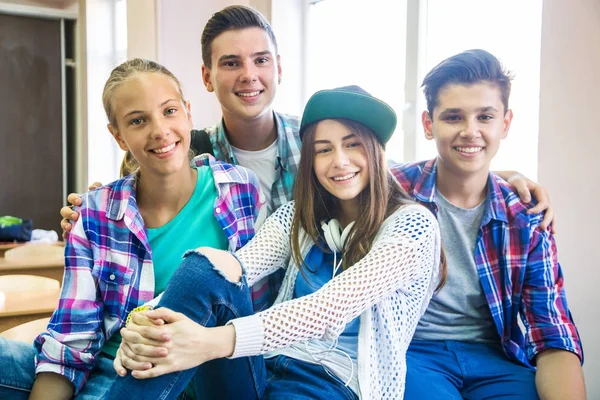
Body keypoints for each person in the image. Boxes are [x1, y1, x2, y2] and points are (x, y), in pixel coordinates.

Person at [59, 6, 554, 310]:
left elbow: (386, 175)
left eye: (261, 60)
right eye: (230, 63)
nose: (248, 75)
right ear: (207, 79)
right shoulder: (194, 151)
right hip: (231, 311)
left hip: (303, 316)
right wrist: (81, 215)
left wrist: (494, 172)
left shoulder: (318, 141)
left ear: (279, 68)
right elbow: (131, 202)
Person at [102, 85, 444, 400]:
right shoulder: (300, 216)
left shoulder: (412, 226)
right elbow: (238, 265)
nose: (339, 161)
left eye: (353, 144)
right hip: (261, 369)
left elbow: (328, 308)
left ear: (377, 151)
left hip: (333, 383)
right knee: (205, 264)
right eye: (324, 150)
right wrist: (141, 323)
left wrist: (211, 342)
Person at [0, 59, 263, 400]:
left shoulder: (239, 189)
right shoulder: (95, 212)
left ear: (188, 113)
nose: (159, 130)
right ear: (118, 136)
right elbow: (71, 338)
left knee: (201, 272)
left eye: (169, 111)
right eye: (138, 121)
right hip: (108, 369)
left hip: (194, 374)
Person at [389, 49, 585, 399]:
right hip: (412, 351)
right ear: (428, 124)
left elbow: (552, 332)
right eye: (453, 117)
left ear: (505, 124)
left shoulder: (526, 216)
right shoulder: (391, 190)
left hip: (496, 356)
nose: (470, 131)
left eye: (485, 117)